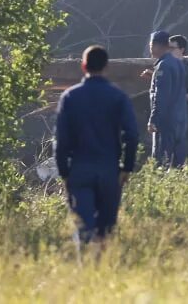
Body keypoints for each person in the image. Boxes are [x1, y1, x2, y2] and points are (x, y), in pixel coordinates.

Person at [54, 45, 139, 248]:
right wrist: (127, 168)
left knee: (83, 226)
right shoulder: (118, 97)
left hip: (79, 169)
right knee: (105, 230)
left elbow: (61, 139)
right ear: (106, 67)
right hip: (109, 169)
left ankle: (84, 267)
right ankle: (100, 268)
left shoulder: (70, 97)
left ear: (83, 66)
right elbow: (132, 135)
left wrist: (64, 172)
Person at [148, 29, 188, 167]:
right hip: (180, 120)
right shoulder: (179, 64)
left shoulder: (163, 65)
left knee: (161, 163)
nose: (150, 49)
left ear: (157, 46)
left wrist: (154, 119)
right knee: (178, 165)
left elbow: (161, 95)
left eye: (151, 45)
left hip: (166, 122)